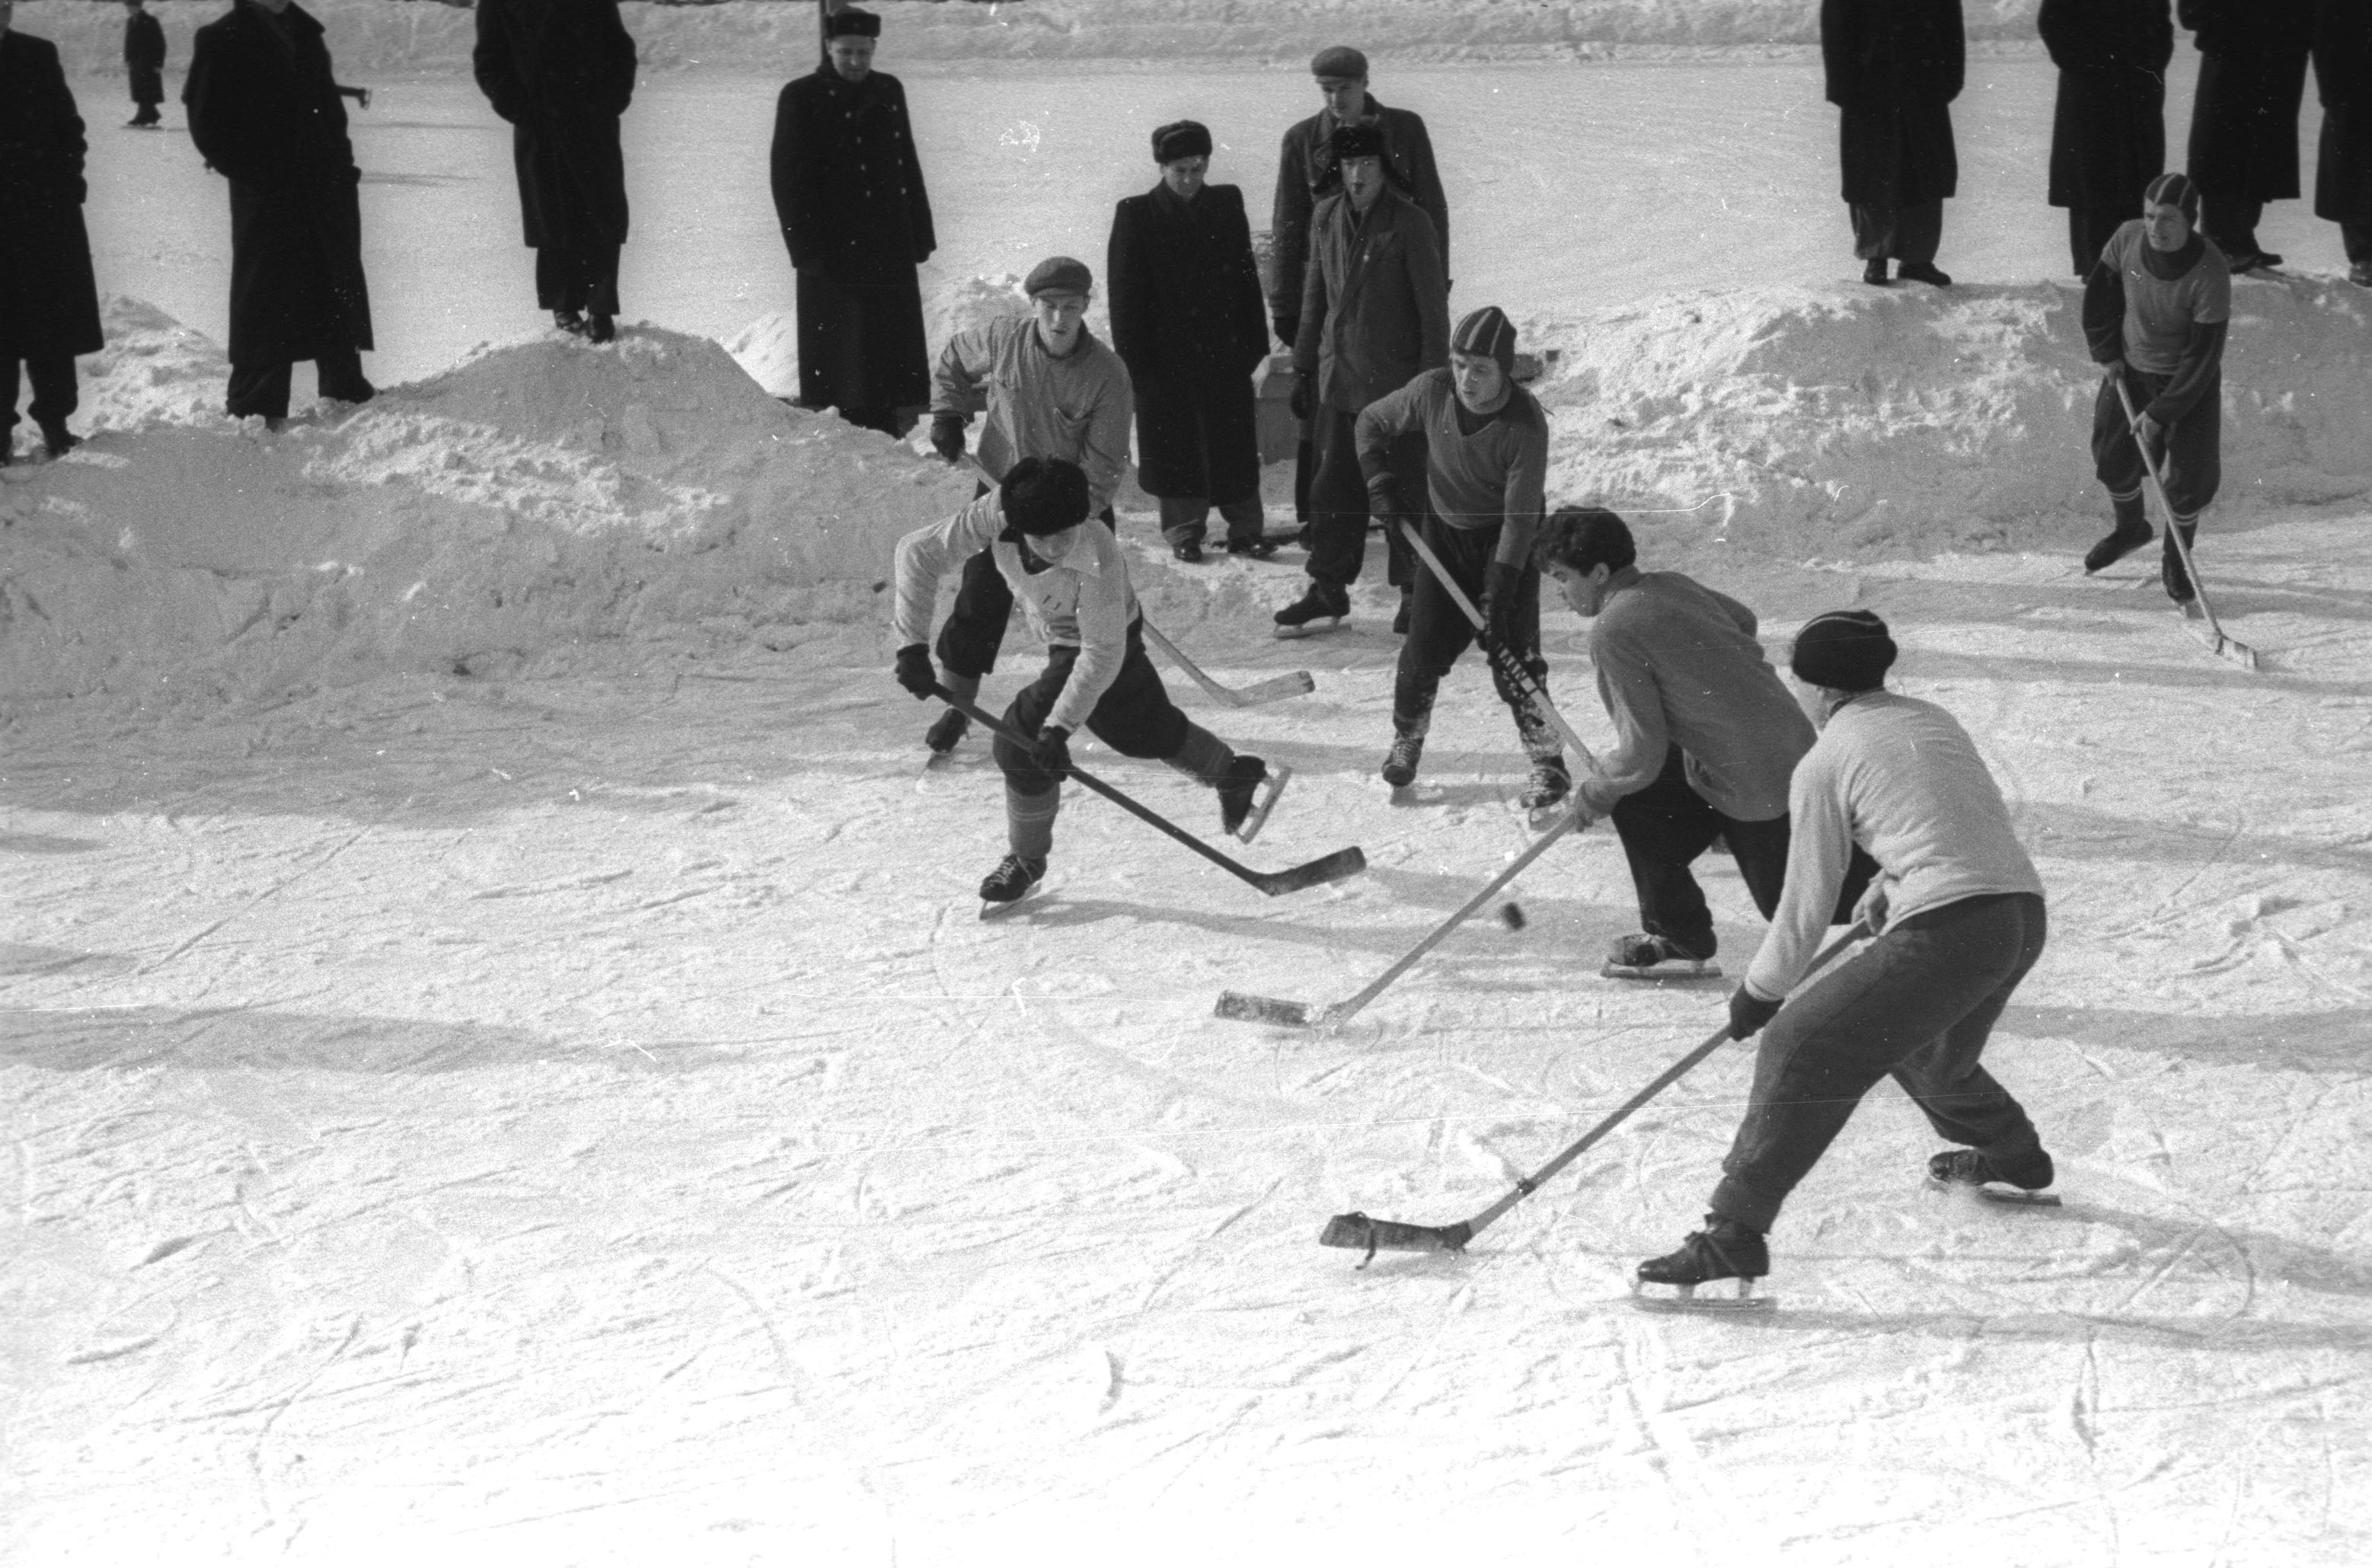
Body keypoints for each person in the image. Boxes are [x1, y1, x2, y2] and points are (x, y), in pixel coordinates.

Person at [1635, 610, 2054, 1305]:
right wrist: (1889, 881)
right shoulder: (1929, 718)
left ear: (1818, 691)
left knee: (1801, 1040)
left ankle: (1733, 1231)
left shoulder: (1824, 759)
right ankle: (2015, 1160)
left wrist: (1760, 993)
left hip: (1949, 927)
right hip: (2016, 913)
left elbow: (1800, 906)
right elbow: (1944, 815)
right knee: (1926, 1051)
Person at [889, 458, 1277, 909]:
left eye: (1064, 534)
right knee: (1139, 732)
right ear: (1013, 523)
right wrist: (911, 647)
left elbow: (1100, 653)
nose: (1054, 546)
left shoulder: (1097, 552)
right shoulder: (996, 513)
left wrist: (1057, 728)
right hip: (1061, 635)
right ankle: (1233, 774)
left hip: (1102, 638)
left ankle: (1027, 859)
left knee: (1019, 742)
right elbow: (916, 551)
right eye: (1041, 537)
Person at [1538, 509, 1875, 980]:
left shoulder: (1613, 630)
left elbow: (1641, 752)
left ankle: (1921, 895)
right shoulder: (1672, 584)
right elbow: (1743, 619)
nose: (1560, 592)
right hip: (1787, 739)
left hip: (1759, 777)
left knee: (1793, 899)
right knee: (1638, 803)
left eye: (1562, 578)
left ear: (1597, 574)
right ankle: (1680, 936)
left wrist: (1593, 795)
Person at [920, 257, 1133, 755]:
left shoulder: (1107, 375)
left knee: (1090, 614)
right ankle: (958, 706)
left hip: (1075, 508)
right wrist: (948, 411)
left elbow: (1103, 467)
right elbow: (953, 358)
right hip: (999, 489)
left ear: (1086, 307)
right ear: (1032, 305)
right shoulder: (1003, 339)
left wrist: (1062, 529)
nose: (1060, 320)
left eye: (1072, 308)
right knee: (979, 595)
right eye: (1050, 307)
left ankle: (1097, 704)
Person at [1355, 306, 1562, 806]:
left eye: (1481, 369)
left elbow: (1519, 518)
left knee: (1514, 659)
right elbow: (1370, 422)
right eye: (1459, 363)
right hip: (1443, 537)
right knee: (1421, 651)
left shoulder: (1525, 424)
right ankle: (1407, 738)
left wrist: (1501, 585)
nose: (1466, 379)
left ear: (1505, 369)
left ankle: (1547, 763)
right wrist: (1378, 482)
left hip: (1505, 542)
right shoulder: (1430, 391)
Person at [1269, 46, 1449, 544]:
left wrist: (1437, 286)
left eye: (1344, 88)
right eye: (1326, 90)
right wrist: (1285, 305)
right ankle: (1321, 525)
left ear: (1365, 82)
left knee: (1395, 423)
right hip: (1326, 296)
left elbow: (1432, 209)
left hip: (1398, 289)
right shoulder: (1302, 140)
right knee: (1325, 423)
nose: (1335, 99)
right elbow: (1288, 227)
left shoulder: (1405, 131)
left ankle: (1398, 528)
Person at [1276, 124, 1448, 638]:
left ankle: (1414, 588)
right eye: (1349, 166)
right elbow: (1315, 300)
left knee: (1400, 490)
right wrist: (1304, 366)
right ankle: (1327, 588)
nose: (1357, 176)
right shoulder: (1325, 216)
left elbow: (1432, 312)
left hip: (1394, 388)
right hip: (1337, 380)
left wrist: (1429, 386)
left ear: (1383, 168)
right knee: (1334, 488)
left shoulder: (1409, 222)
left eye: (1368, 165)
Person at [184, 0, 375, 425]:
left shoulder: (306, 33)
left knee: (329, 283)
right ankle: (256, 405)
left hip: (324, 186)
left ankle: (344, 388)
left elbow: (329, 110)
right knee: (266, 299)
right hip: (268, 195)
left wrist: (342, 169)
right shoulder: (221, 37)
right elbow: (207, 123)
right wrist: (260, 176)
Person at [1107, 120, 1272, 564]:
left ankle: (1246, 530)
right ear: (1161, 168)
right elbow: (1124, 296)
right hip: (1165, 359)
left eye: (1197, 169)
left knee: (1233, 444)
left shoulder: (1225, 203)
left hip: (1223, 351)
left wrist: (1253, 345)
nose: (1188, 179)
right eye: (1179, 170)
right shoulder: (1136, 214)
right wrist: (1137, 365)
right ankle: (1184, 531)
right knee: (1176, 446)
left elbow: (1244, 278)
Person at [771, 4, 935, 436]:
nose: (857, 62)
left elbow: (906, 163)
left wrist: (920, 232)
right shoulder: (800, 96)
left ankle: (889, 432)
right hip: (832, 252)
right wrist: (804, 251)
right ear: (829, 47)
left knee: (887, 349)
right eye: (847, 53)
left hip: (888, 243)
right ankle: (845, 437)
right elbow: (788, 182)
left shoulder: (888, 90)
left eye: (865, 52)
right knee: (842, 356)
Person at [2080, 172, 2232, 603]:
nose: (2155, 228)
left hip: (2188, 383)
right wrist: (2106, 351)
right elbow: (2101, 298)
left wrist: (2162, 412)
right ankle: (2131, 528)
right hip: (2131, 370)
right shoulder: (2126, 239)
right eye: (2149, 216)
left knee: (2190, 477)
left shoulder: (2210, 270)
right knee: (2112, 455)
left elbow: (2203, 356)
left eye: (2168, 218)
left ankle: (2176, 558)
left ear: (2190, 221)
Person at [474, 0, 637, 343]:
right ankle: (564, 306)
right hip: (541, 128)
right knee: (552, 218)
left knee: (601, 215)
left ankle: (601, 308)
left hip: (593, 122)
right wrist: (521, 109)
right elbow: (490, 62)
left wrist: (611, 100)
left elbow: (620, 48)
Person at [1, 0, 104, 465]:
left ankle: (56, 425)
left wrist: (67, 181)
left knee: (50, 325)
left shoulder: (37, 54)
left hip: (42, 212)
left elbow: (68, 127)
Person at [1821, 0, 1965, 287]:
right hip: (1869, 90)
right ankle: (1876, 256)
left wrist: (1948, 82)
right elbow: (1836, 29)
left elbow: (1951, 29)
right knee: (1874, 177)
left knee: (1923, 175)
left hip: (1923, 87)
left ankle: (1918, 261)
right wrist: (1845, 89)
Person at [2038, 0, 2173, 278]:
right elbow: (2053, 23)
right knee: (2094, 180)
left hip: (2138, 87)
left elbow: (2161, 24)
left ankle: (2136, 262)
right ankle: (2097, 266)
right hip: (2091, 91)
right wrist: (2088, 65)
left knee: (2138, 177)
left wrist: (2152, 64)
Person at [2179, 0, 2316, 272]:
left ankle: (2242, 238)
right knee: (2222, 148)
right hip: (2232, 59)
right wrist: (2227, 34)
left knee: (2262, 150)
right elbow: (2192, 12)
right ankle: (2220, 241)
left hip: (2276, 59)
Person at [2313, 0, 2372, 287]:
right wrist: (2332, 92)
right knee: (2355, 174)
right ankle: (2364, 257)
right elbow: (2324, 30)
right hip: (2355, 89)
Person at [123, 0, 166, 129]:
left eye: (131, 6)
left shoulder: (150, 21)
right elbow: (128, 41)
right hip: (136, 62)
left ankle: (146, 116)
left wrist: (159, 63)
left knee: (147, 90)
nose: (129, 9)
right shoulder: (130, 21)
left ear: (138, 6)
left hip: (149, 62)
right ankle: (147, 115)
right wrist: (128, 58)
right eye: (128, 6)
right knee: (140, 90)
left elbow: (160, 43)